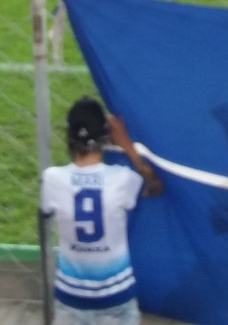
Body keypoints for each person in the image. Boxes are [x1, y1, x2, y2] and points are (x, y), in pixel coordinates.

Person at [40, 96, 163, 324]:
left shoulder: (52, 179)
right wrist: (126, 144)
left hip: (71, 295)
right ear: (106, 139)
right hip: (115, 295)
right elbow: (155, 185)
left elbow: (47, 209)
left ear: (68, 137)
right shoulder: (123, 179)